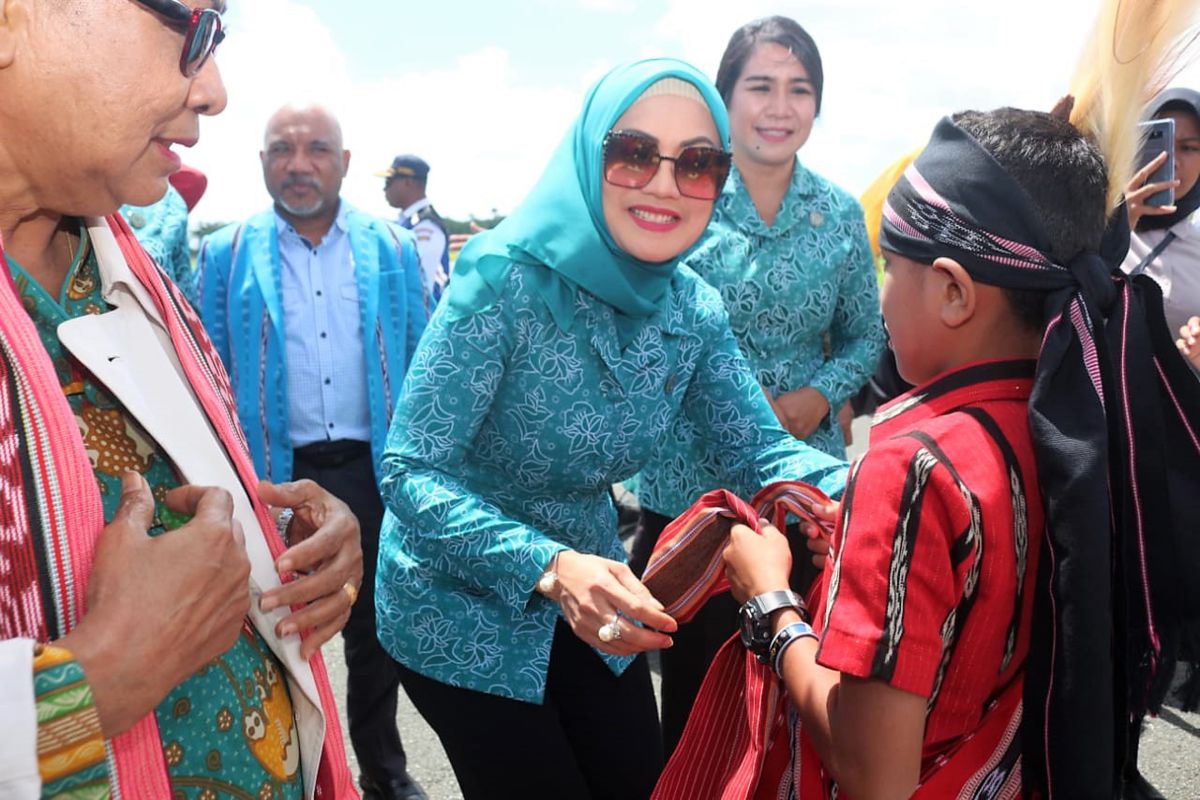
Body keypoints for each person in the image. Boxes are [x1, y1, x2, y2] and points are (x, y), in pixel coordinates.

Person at [374, 57, 849, 800]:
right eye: (634, 153)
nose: (664, 184)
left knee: (641, 780)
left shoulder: (693, 310)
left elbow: (757, 448)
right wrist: (551, 568)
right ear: (591, 155)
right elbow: (409, 470)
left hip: (602, 596)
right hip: (457, 607)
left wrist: (885, 482)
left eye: (697, 163)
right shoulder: (504, 279)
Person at [713, 108, 1200, 799]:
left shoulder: (911, 468)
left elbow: (875, 774)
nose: (880, 298)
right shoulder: (1093, 424)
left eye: (890, 266)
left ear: (952, 291)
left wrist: (773, 603)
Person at [0, 2, 363, 798]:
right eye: (194, 27)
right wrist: (103, 680)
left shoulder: (137, 277)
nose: (215, 89)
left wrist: (280, 547)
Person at [629, 16, 883, 755]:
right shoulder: (683, 195)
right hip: (693, 489)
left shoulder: (837, 213)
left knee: (803, 694)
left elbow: (868, 334)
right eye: (760, 87)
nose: (780, 107)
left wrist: (817, 395)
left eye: (799, 90)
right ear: (724, 98)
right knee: (695, 707)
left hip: (804, 493)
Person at [196, 104, 429, 800]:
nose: (300, 164)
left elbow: (420, 362)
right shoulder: (226, 252)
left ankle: (384, 775)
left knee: (373, 631)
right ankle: (285, 777)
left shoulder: (390, 248)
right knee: (268, 627)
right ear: (263, 161)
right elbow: (204, 370)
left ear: (345, 162)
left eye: (317, 149)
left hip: (370, 469)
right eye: (282, 150)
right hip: (269, 477)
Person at [1120, 86, 1200, 799]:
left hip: (1182, 457)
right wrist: (1116, 224)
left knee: (1167, 587)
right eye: (1157, 140)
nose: (1172, 161)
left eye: (1192, 146)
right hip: (1109, 445)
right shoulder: (1095, 227)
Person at [380, 154, 449, 302]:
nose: (384, 189)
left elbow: (418, 285)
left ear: (407, 182)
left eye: (388, 181)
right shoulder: (407, 222)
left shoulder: (425, 227)